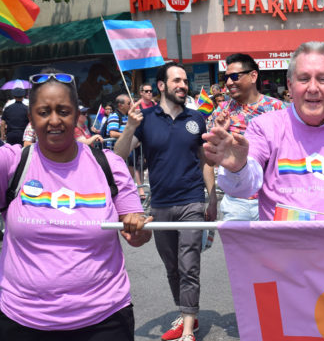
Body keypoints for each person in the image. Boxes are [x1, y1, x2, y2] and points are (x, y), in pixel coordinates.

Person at [0, 69, 151, 340]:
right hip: (22, 320)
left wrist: (140, 231)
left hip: (104, 319)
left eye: (64, 111)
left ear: (78, 115)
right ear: (31, 118)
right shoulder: (11, 164)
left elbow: (137, 233)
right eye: (44, 112)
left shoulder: (109, 165)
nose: (54, 120)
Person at [203, 41, 324, 221]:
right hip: (284, 249)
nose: (313, 88)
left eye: (322, 79)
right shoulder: (264, 127)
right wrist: (237, 167)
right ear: (290, 86)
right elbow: (244, 187)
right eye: (304, 79)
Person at [114, 62, 217, 341]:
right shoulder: (144, 120)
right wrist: (130, 126)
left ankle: (186, 332)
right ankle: (189, 317)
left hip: (192, 202)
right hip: (160, 206)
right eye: (177, 81)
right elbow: (118, 154)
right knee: (172, 268)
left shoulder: (197, 118)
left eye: (185, 81)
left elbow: (205, 160)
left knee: (189, 265)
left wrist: (212, 198)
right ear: (161, 86)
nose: (183, 85)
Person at [208, 53, 285, 221]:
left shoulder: (278, 109)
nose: (229, 83)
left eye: (235, 76)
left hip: (273, 200)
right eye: (226, 77)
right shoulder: (221, 112)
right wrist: (219, 135)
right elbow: (209, 161)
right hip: (236, 201)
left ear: (253, 76)